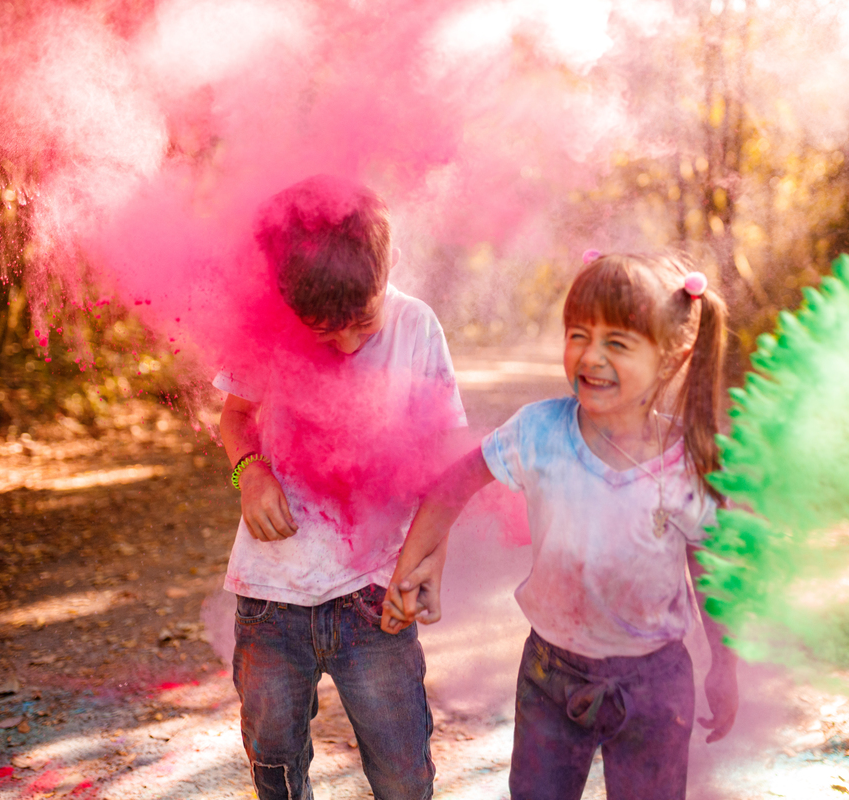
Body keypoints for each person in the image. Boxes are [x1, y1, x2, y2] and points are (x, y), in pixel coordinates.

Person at [382, 250, 739, 800]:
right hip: (550, 676)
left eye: (617, 343)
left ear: (672, 356)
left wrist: (725, 663)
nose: (590, 356)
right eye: (578, 334)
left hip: (655, 686)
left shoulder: (687, 461)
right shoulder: (538, 433)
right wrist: (412, 567)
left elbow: (710, 569)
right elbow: (456, 483)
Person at [216, 174, 465, 800]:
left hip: (376, 600)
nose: (348, 343)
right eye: (324, 331)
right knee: (273, 765)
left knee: (403, 774)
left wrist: (426, 563)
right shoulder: (266, 330)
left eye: (362, 321)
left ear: (391, 266)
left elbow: (447, 467)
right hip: (272, 600)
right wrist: (251, 472)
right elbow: (235, 416)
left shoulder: (416, 328)